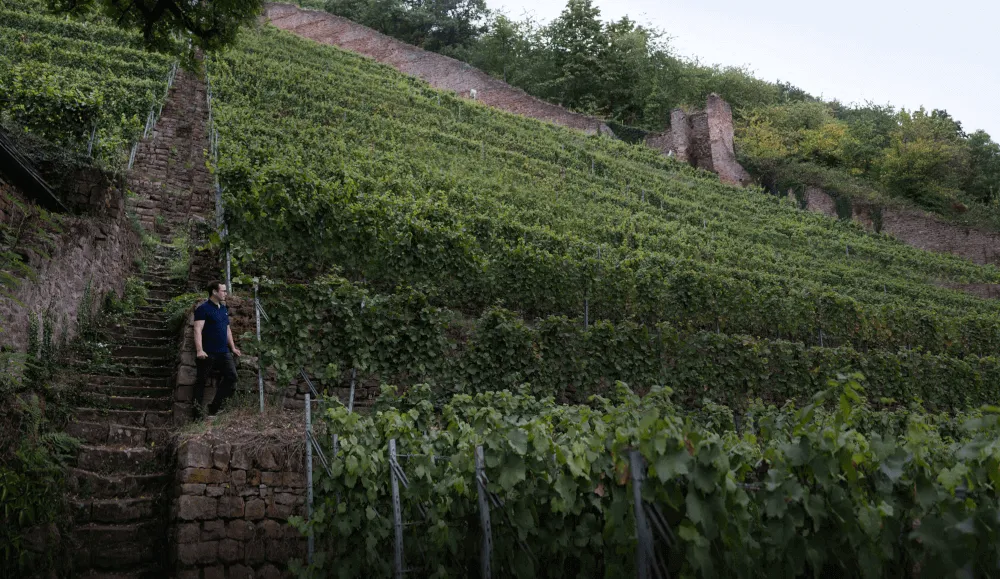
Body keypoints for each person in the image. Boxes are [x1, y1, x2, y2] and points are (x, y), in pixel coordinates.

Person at [192, 281, 241, 418]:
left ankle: (213, 409)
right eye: (223, 291)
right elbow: (197, 329)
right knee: (201, 381)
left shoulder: (223, 309)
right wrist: (199, 350)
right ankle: (196, 415)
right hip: (207, 353)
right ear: (214, 291)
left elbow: (227, 330)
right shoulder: (203, 309)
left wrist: (233, 347)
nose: (226, 293)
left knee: (232, 377)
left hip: (223, 352)